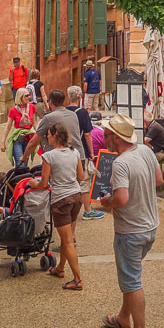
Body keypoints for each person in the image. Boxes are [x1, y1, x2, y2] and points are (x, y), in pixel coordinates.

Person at [97, 114, 164, 328]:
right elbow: (158, 179)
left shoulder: (120, 163)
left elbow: (122, 198)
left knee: (132, 280)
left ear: (116, 137)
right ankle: (123, 319)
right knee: (130, 276)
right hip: (150, 226)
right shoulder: (145, 150)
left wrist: (107, 201)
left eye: (107, 135)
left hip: (130, 230)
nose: (104, 139)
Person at [28, 123, 86, 290]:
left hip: (61, 199)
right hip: (76, 197)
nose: (47, 137)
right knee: (67, 238)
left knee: (67, 241)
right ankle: (60, 268)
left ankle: (77, 279)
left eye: (49, 134)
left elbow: (44, 182)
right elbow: (81, 177)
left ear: (55, 136)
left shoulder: (49, 156)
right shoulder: (74, 152)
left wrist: (33, 183)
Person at [64, 85, 102, 220]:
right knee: (84, 180)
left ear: (69, 96)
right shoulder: (82, 113)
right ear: (80, 97)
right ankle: (87, 210)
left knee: (69, 179)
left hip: (66, 150)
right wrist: (91, 152)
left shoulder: (63, 111)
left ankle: (67, 209)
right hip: (81, 151)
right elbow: (87, 134)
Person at [24, 89, 85, 164]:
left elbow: (33, 142)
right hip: (78, 155)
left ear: (50, 102)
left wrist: (24, 156)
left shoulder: (48, 118)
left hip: (61, 159)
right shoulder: (73, 115)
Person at [1, 88, 37, 167]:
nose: (29, 97)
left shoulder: (32, 107)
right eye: (26, 95)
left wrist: (38, 137)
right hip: (18, 139)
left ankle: (23, 178)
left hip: (29, 138)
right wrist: (3, 142)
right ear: (20, 97)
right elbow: (8, 127)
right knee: (20, 164)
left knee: (25, 163)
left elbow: (33, 123)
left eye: (29, 95)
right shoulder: (13, 110)